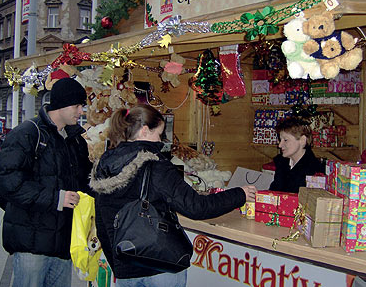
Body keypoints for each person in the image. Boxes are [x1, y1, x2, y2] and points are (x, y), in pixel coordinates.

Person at [90, 104, 257, 287]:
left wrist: (117, 264)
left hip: (124, 268)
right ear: (145, 131)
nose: (161, 140)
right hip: (159, 266)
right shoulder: (155, 165)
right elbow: (197, 207)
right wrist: (240, 194)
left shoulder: (103, 165)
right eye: (159, 134)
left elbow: (101, 222)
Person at [0, 78, 93, 287]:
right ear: (61, 105)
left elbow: (86, 182)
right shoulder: (27, 134)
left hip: (63, 242)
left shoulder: (76, 140)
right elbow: (9, 183)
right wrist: (57, 198)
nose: (81, 111)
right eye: (77, 105)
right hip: (32, 243)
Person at [269, 117, 324, 193]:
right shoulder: (282, 163)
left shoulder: (314, 171)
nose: (280, 145)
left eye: (285, 140)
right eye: (280, 140)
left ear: (302, 140)